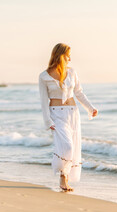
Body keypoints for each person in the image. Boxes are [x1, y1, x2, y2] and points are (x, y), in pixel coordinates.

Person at [38, 43, 98, 192]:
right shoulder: (44, 76)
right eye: (67, 55)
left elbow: (79, 93)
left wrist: (90, 108)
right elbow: (43, 100)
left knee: (73, 146)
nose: (70, 58)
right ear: (59, 55)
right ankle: (61, 172)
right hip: (56, 115)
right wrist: (47, 120)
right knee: (66, 146)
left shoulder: (72, 73)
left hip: (73, 113)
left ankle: (64, 178)